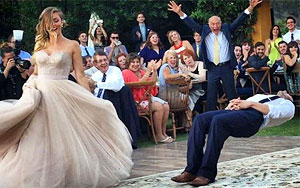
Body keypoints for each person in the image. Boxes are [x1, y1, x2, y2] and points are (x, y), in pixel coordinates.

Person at [0, 7, 133, 187]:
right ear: (44, 25)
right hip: (39, 94)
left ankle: (68, 175)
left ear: (62, 22)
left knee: (65, 138)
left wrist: (89, 97)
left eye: (56, 20)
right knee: (36, 137)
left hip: (63, 93)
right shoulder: (40, 45)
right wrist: (28, 85)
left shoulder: (72, 45)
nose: (53, 24)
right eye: (49, 21)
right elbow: (37, 72)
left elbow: (79, 74)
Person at [171, 90, 295, 187]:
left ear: (289, 97)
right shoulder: (259, 96)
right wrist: (234, 105)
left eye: (286, 92)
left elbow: (272, 112)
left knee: (218, 121)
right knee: (200, 120)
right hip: (238, 112)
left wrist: (249, 103)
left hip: (255, 118)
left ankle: (206, 173)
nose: (283, 91)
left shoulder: (288, 105)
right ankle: (191, 170)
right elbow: (243, 105)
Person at [168, 0, 262, 111]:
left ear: (221, 24)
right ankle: (210, 118)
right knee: (211, 96)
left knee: (231, 93)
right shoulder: (203, 30)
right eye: (213, 24)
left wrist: (250, 7)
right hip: (212, 68)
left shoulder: (226, 28)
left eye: (217, 23)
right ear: (209, 25)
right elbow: (191, 23)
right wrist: (180, 13)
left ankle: (237, 115)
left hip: (226, 67)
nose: (215, 26)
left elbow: (239, 20)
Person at [122, 53, 173, 143]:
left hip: (146, 100)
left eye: (137, 62)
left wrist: (154, 70)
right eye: (133, 62)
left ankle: (163, 133)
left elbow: (152, 83)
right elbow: (139, 85)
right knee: (159, 107)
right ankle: (158, 135)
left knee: (166, 106)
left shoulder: (141, 72)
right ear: (128, 63)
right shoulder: (126, 72)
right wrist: (149, 71)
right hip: (135, 102)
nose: (136, 64)